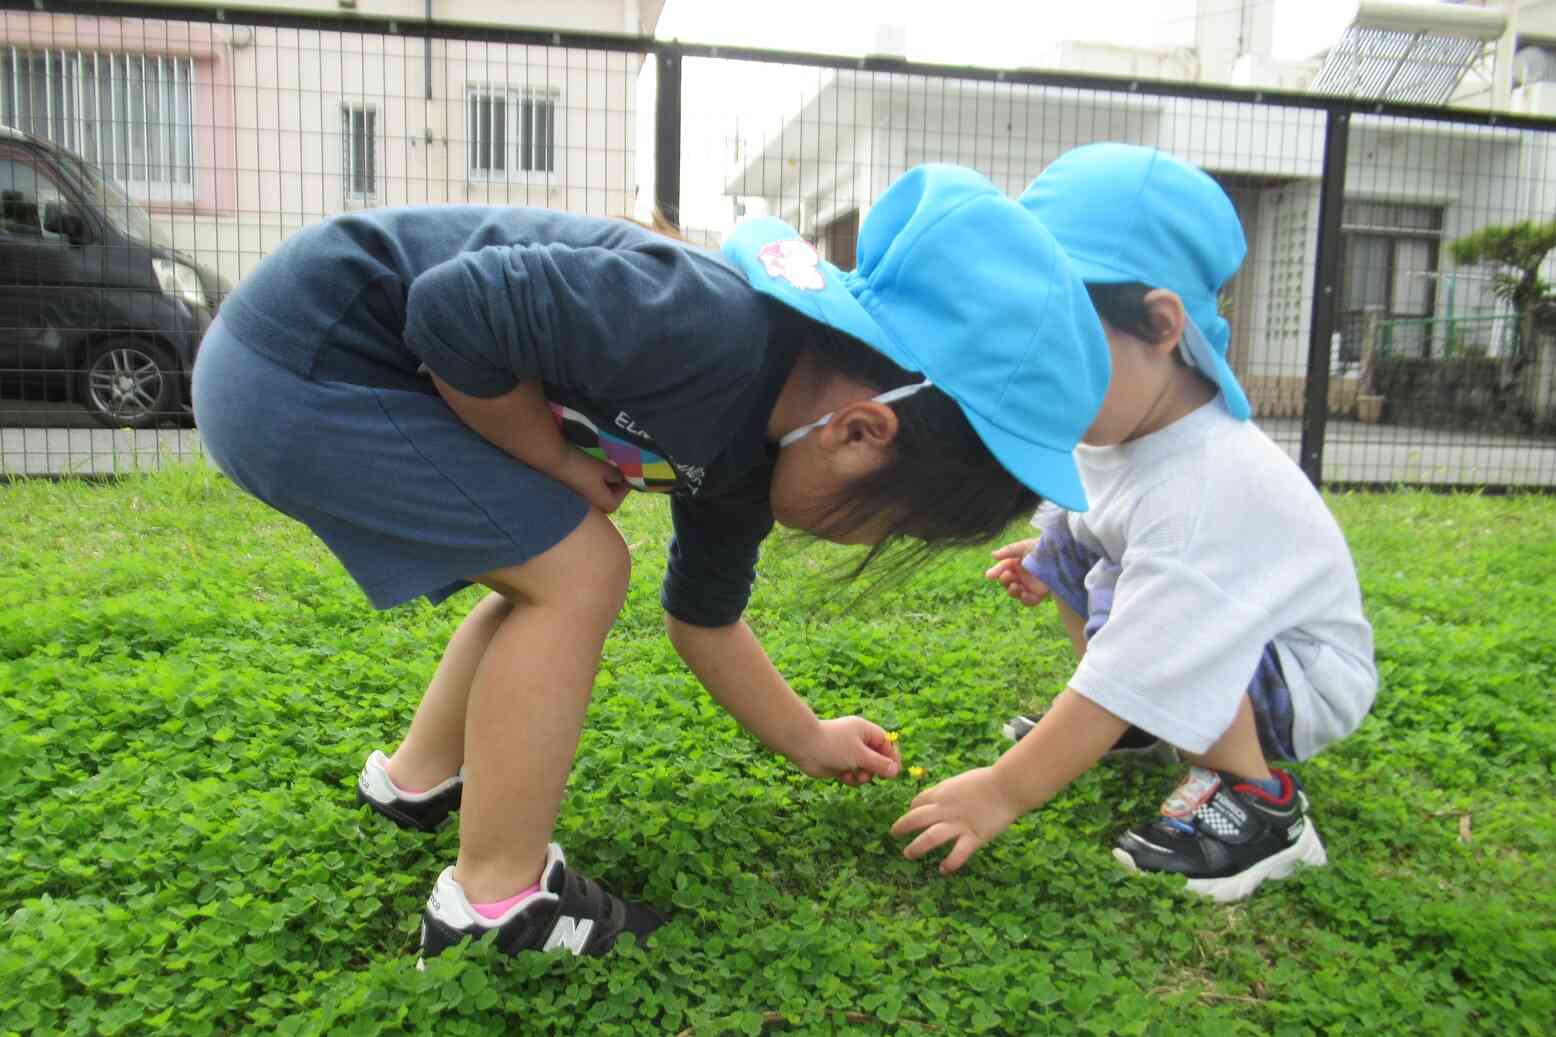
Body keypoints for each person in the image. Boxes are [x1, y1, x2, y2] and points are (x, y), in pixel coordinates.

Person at [192, 163, 1111, 960]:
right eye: (896, 528)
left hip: (313, 370)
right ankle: (494, 905)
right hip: (299, 366)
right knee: (579, 567)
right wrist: (556, 460)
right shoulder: (705, 329)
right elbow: (453, 308)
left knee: (546, 557)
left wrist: (809, 736)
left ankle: (418, 780)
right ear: (863, 433)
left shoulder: (752, 458)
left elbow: (702, 618)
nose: (874, 544)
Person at [891, 144, 1377, 903]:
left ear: (1158, 324)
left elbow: (1146, 651)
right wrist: (1050, 554)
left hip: (1300, 674)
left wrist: (1002, 791)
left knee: (1135, 604)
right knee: (1073, 550)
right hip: (1212, 633)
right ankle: (1139, 728)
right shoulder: (1124, 428)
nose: (1042, 375)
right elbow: (1095, 526)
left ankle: (1260, 801)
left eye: (1066, 348)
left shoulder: (1210, 481)